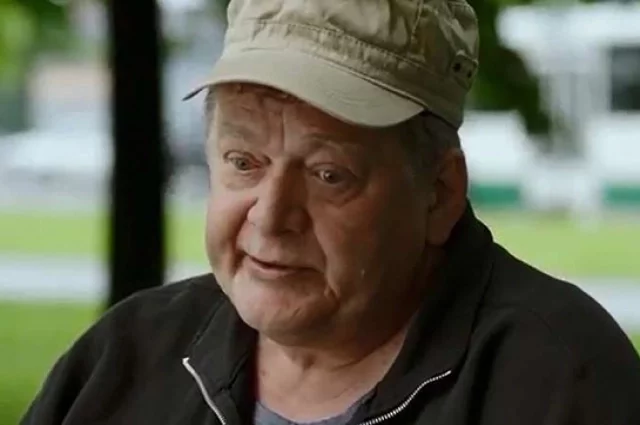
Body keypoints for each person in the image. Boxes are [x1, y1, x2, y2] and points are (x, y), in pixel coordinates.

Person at [22, 0, 640, 424]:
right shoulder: (125, 357)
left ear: (440, 193)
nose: (271, 217)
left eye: (327, 174)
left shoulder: (560, 379)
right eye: (244, 162)